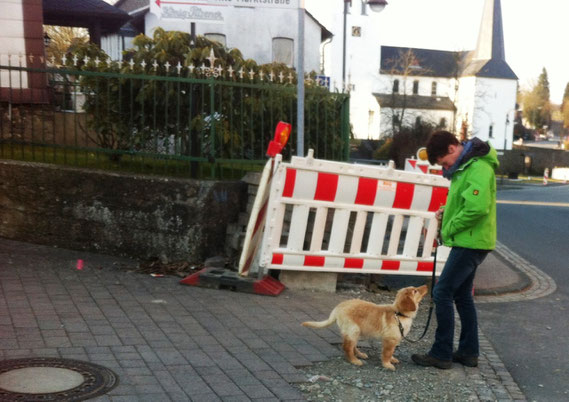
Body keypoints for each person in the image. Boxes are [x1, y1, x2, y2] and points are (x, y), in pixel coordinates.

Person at [411, 130, 498, 369]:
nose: (445, 168)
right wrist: (445, 212)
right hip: (472, 240)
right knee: (461, 295)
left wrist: (448, 228)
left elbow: (476, 209)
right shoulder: (465, 167)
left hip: (470, 242)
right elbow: (462, 203)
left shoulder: (478, 167)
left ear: (452, 148)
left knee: (442, 292)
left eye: (444, 162)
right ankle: (469, 352)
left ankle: (441, 354)